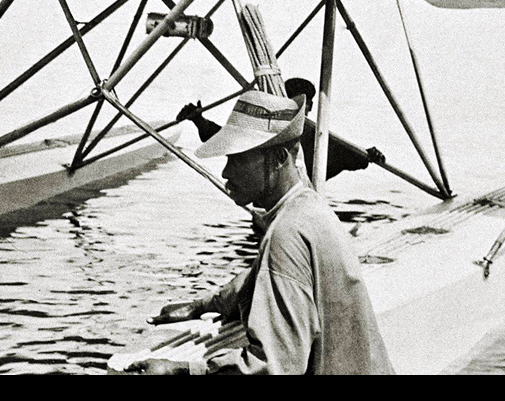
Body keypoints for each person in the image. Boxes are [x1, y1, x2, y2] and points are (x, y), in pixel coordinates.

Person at [133, 90, 394, 375]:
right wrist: (201, 305)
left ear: (280, 157)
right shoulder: (308, 208)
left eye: (238, 159)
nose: (226, 172)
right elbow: (260, 276)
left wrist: (182, 369)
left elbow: (273, 366)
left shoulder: (286, 234)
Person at [177, 78, 384, 182]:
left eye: (308, 103)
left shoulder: (317, 138)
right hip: (271, 205)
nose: (308, 107)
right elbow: (226, 138)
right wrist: (199, 120)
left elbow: (352, 157)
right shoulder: (269, 129)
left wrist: (369, 155)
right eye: (305, 103)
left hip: (301, 200)